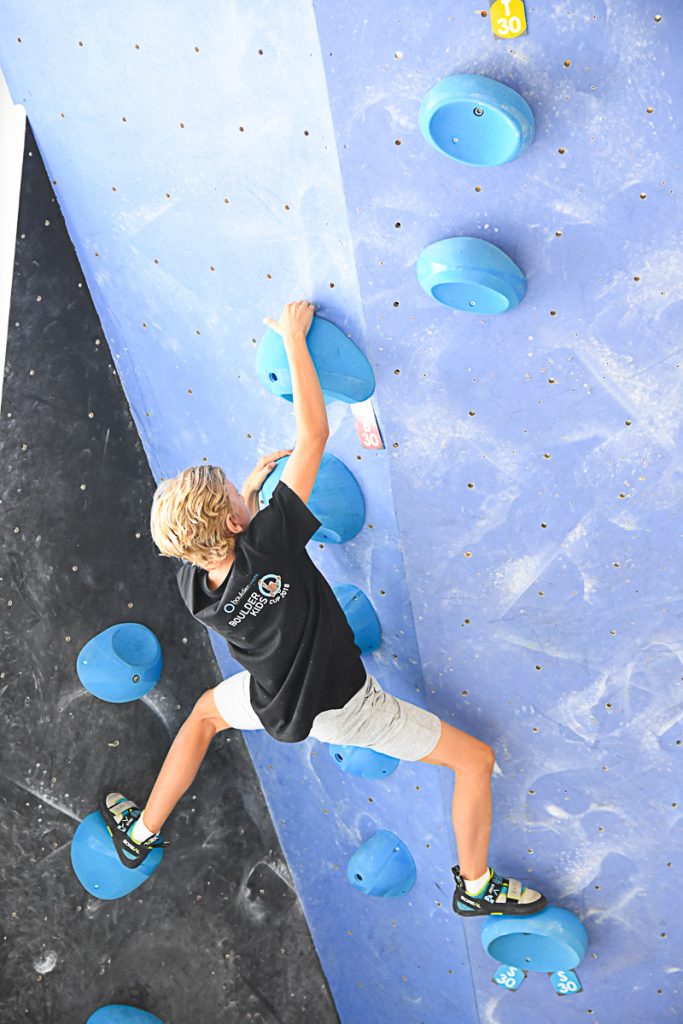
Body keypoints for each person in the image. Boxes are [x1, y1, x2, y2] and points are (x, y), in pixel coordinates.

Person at [101, 300, 546, 917]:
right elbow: (313, 433)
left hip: (271, 701)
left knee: (204, 715)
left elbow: (241, 564)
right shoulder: (271, 541)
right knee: (476, 761)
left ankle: (142, 832)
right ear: (235, 524)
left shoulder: (195, 587)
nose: (242, 492)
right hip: (349, 710)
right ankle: (476, 887)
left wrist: (247, 498)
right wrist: (293, 339)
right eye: (235, 496)